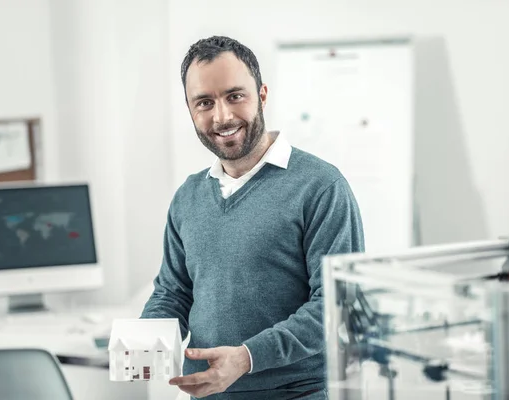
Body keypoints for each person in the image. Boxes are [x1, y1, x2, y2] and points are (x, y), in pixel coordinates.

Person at [141, 35, 365, 399]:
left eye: (235, 96)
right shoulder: (188, 196)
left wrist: (247, 358)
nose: (222, 116)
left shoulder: (321, 186)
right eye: (204, 103)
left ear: (262, 94)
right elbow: (173, 291)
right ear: (190, 110)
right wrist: (146, 336)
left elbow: (338, 306)